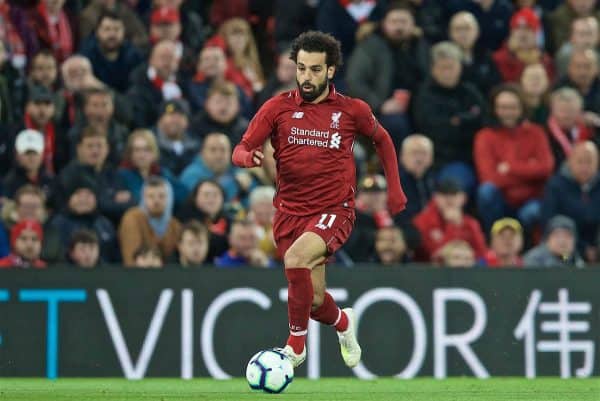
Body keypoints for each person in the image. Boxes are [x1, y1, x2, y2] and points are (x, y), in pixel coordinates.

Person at [232, 31, 406, 368]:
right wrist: (245, 158)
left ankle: (295, 348)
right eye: (301, 68)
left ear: (330, 71)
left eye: (314, 69)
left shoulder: (352, 110)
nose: (306, 77)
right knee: (311, 300)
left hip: (333, 210)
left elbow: (382, 141)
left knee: (296, 260)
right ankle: (343, 322)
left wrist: (395, 190)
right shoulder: (277, 107)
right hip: (288, 213)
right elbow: (242, 146)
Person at [474, 85, 554, 233]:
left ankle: (525, 248)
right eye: (503, 108)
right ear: (495, 109)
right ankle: (493, 241)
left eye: (513, 107)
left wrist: (510, 168)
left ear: (522, 108)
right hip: (501, 200)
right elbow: (489, 178)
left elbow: (546, 168)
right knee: (486, 192)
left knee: (533, 212)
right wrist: (529, 170)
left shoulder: (537, 133)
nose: (508, 113)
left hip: (532, 198)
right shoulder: (484, 136)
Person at [413, 41, 485, 191]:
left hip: (469, 158)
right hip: (437, 159)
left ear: (460, 68)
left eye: (451, 67)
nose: (447, 73)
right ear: (433, 69)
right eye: (442, 68)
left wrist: (457, 122)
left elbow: (482, 122)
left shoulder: (470, 92)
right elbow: (432, 129)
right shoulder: (425, 95)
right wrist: (463, 122)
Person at [542, 141, 600, 262]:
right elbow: (549, 222)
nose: (584, 167)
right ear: (570, 162)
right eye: (580, 161)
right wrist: (582, 248)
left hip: (596, 247)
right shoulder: (556, 186)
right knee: (561, 236)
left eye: (589, 161)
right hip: (567, 249)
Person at [413, 178, 487, 262]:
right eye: (444, 194)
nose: (449, 199)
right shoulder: (423, 221)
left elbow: (482, 254)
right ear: (436, 198)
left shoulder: (471, 224)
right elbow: (437, 257)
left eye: (453, 194)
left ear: (463, 198)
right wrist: (452, 225)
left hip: (467, 270)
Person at [119, 176, 181, 266]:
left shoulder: (175, 225)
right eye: (150, 196)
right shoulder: (132, 218)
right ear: (143, 198)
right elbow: (130, 259)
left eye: (161, 196)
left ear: (170, 198)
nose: (156, 201)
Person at [79, 10, 144, 92]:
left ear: (124, 32)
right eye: (107, 29)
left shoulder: (134, 56)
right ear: (97, 32)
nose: (112, 34)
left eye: (117, 29)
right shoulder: (86, 56)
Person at [545, 87, 595, 167]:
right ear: (552, 111)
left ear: (580, 112)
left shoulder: (590, 131)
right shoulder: (544, 133)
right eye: (562, 110)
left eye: (571, 111)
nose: (566, 115)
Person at [3, 129, 54, 200]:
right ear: (17, 155)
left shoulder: (51, 181)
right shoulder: (9, 184)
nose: (31, 157)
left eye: (35, 152)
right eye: (27, 153)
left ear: (42, 155)